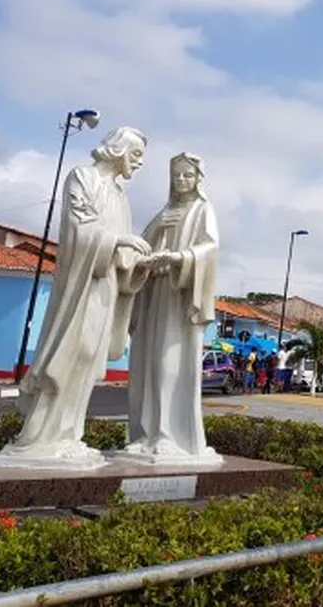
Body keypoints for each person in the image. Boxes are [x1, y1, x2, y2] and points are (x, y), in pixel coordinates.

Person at [0, 127, 151, 468]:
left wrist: (139, 264)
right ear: (119, 150)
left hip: (106, 286)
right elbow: (79, 230)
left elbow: (122, 259)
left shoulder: (121, 196)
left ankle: (68, 435)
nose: (138, 164)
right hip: (82, 285)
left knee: (88, 358)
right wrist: (120, 241)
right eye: (136, 155)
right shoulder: (83, 178)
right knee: (71, 353)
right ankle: (38, 437)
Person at [124, 152, 221, 464]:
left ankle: (168, 434)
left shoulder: (202, 209)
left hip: (179, 295)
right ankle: (144, 435)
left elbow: (210, 247)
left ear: (198, 179)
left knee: (169, 363)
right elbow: (140, 246)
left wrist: (179, 258)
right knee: (147, 362)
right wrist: (153, 235)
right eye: (176, 176)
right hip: (154, 291)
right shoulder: (165, 211)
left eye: (187, 176)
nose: (181, 181)